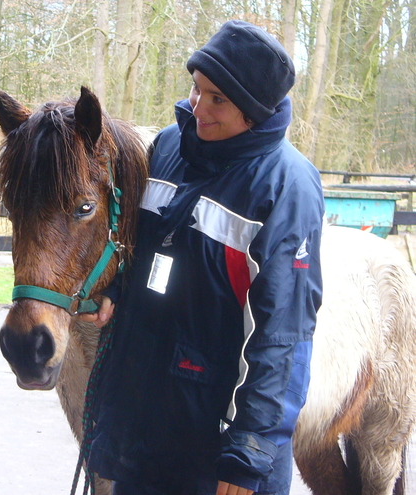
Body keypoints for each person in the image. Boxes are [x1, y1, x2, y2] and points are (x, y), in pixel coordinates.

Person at [81, 20, 324, 495]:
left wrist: (248, 451)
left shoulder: (287, 187)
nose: (198, 108)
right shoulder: (168, 148)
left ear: (253, 112)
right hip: (146, 430)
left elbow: (282, 335)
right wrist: (116, 286)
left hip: (215, 451)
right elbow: (138, 241)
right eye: (197, 89)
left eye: (218, 100)